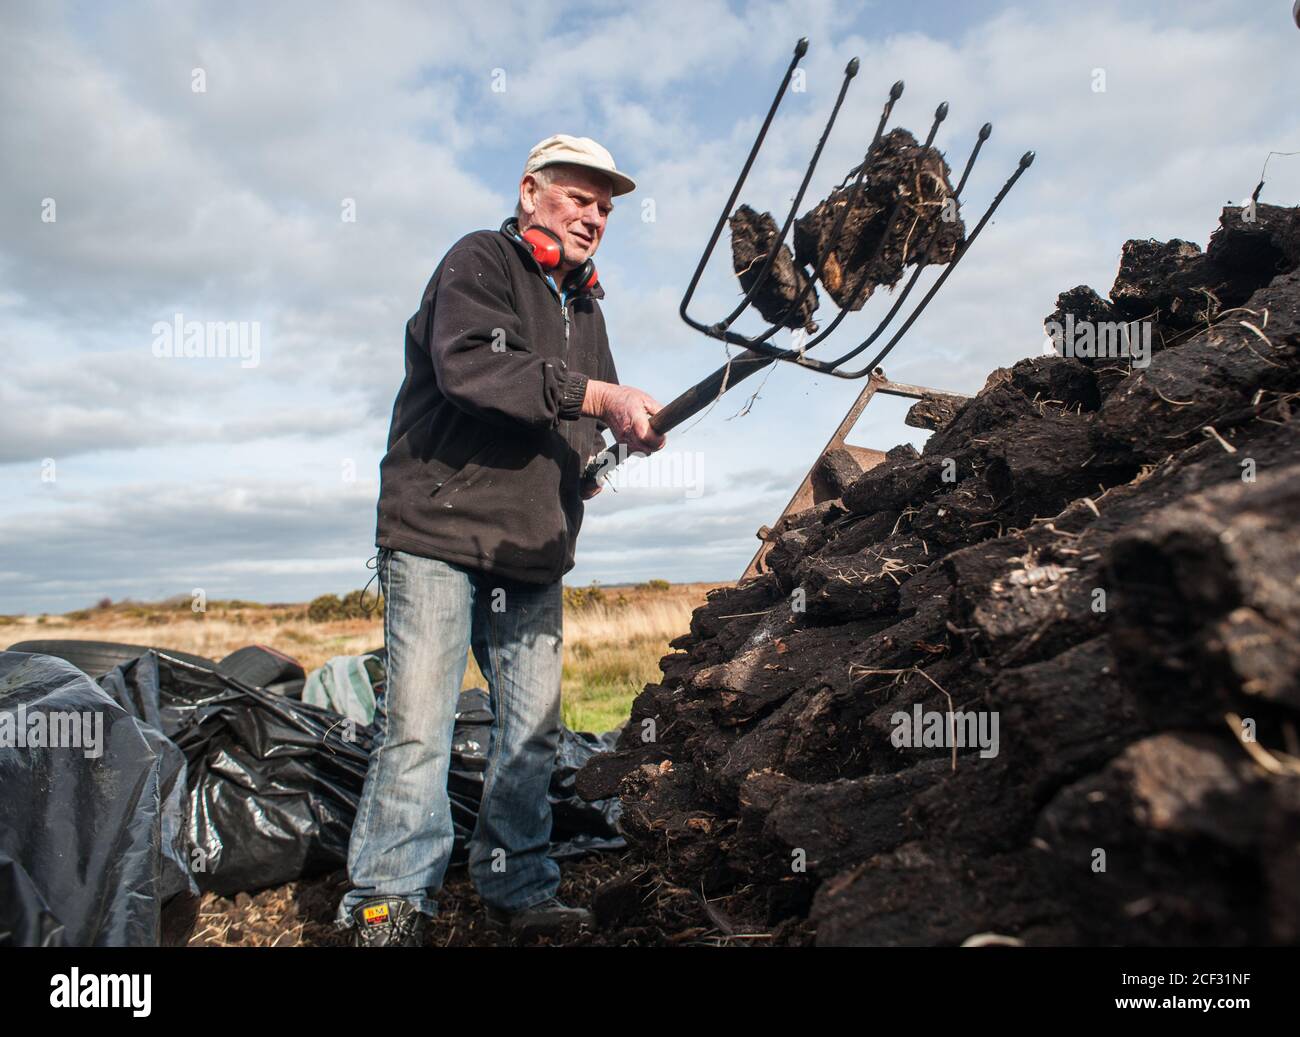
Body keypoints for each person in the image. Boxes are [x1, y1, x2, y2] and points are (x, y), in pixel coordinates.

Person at [337, 135, 665, 946]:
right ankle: (386, 902)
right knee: (418, 721)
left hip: (531, 546)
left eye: (605, 208)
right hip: (440, 532)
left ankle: (518, 887)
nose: (594, 217)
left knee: (533, 728)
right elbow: (474, 369)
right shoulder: (478, 261)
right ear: (530, 191)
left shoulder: (586, 308)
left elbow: (582, 422)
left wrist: (608, 448)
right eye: (578, 199)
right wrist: (599, 395)